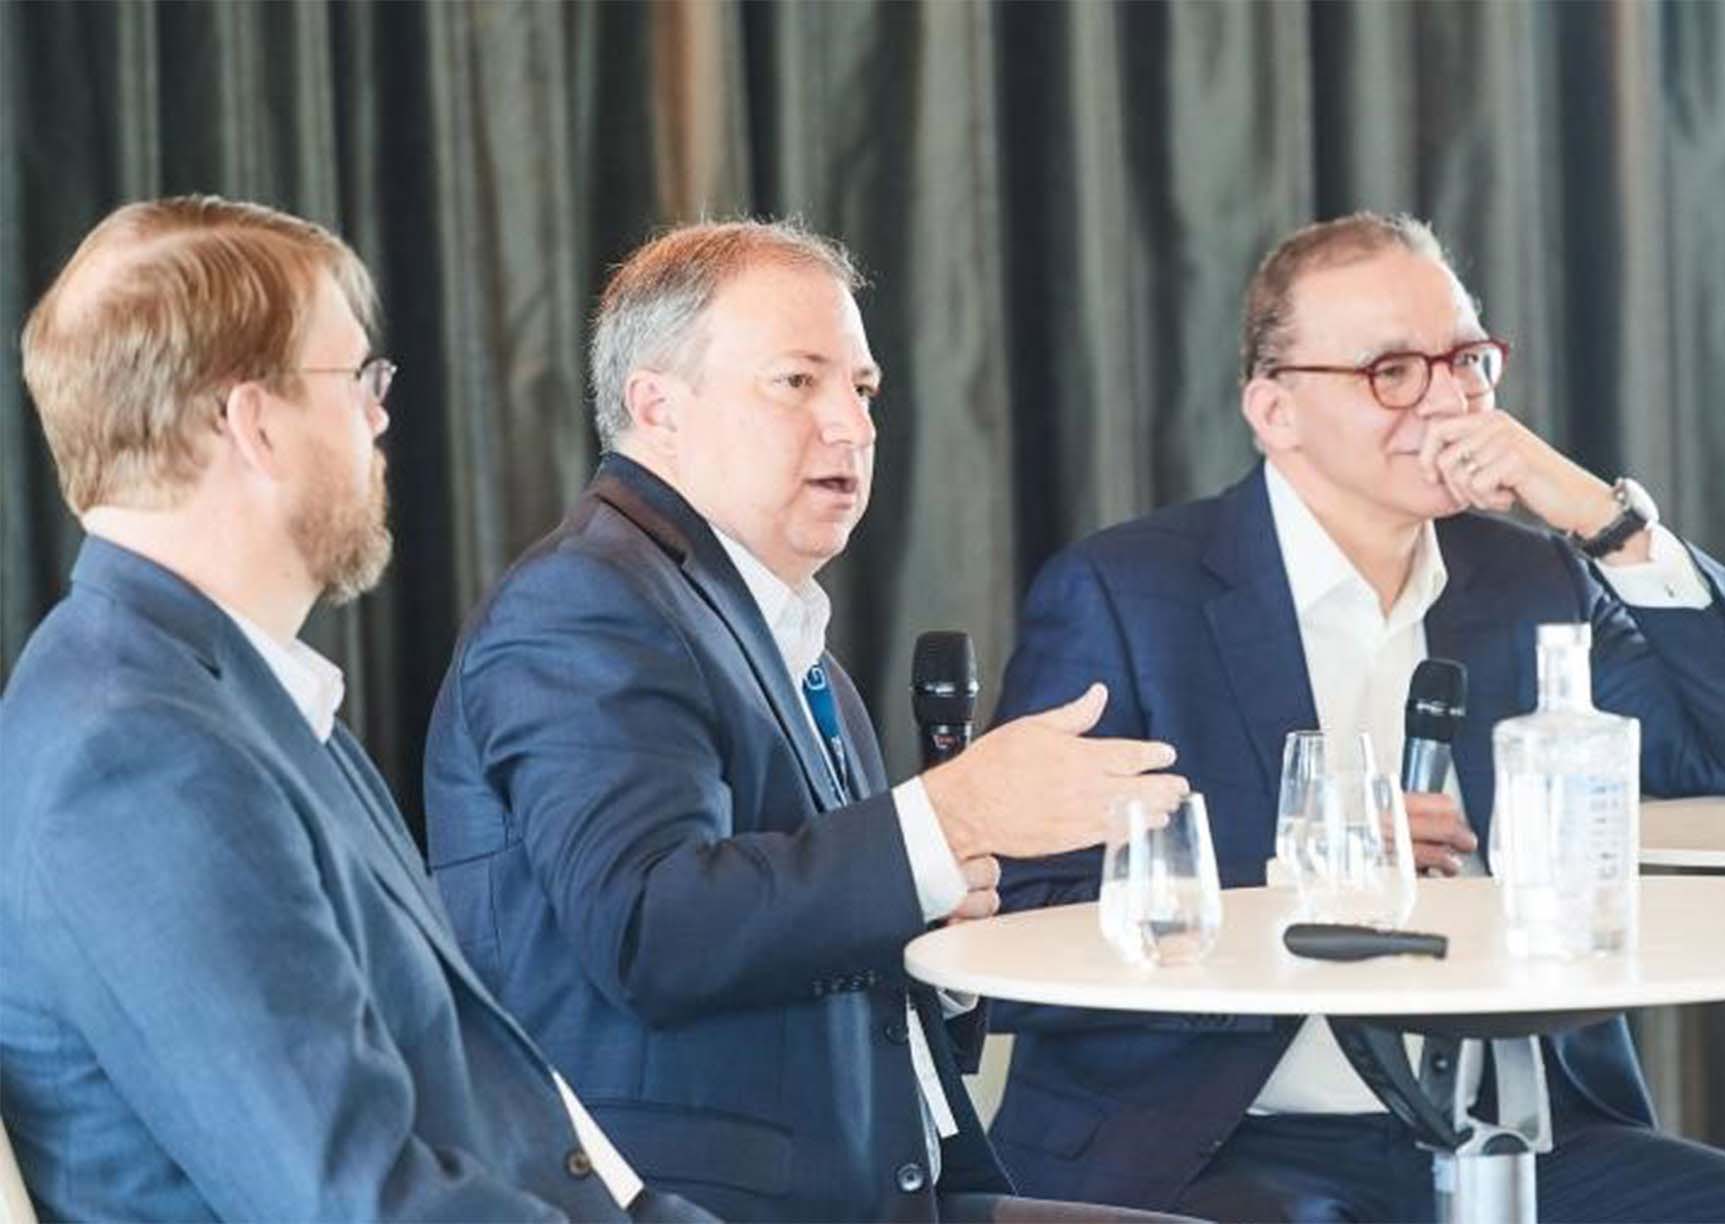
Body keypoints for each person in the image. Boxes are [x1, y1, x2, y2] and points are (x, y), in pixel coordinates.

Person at [986, 212, 1725, 1223]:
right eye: (1391, 370)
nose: (1446, 401)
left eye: (1466, 361)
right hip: (1224, 1138)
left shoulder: (1532, 578)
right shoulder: (1127, 592)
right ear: (1274, 411)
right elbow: (1022, 919)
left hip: (1521, 1135)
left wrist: (1605, 522)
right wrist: (1303, 871)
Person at [423, 220, 1191, 1223]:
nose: (852, 425)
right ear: (657, 406)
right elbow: (653, 930)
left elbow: (819, 926)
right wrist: (948, 820)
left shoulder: (783, 635)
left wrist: (937, 925)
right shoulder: (586, 605)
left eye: (863, 389)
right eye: (798, 383)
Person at [0, 196, 705, 1222]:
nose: (380, 416)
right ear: (254, 423)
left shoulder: (221, 692)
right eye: (358, 378)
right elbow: (357, 1205)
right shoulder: (133, 753)